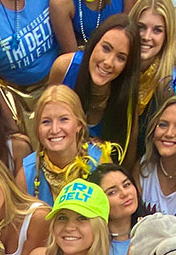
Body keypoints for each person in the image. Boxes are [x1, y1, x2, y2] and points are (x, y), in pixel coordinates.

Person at [50, 15, 141, 164]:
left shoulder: (128, 96)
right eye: (106, 48)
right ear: (93, 44)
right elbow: (45, 121)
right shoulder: (64, 67)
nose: (108, 62)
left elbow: (128, 155)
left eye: (121, 58)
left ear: (127, 66)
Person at [19, 84, 107, 205]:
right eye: (46, 122)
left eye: (64, 119)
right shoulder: (27, 173)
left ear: (79, 124)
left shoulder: (99, 160)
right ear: (37, 128)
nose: (54, 130)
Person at [129, 0, 176, 122]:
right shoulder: (115, 66)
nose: (146, 37)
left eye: (157, 30)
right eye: (141, 27)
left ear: (167, 36)